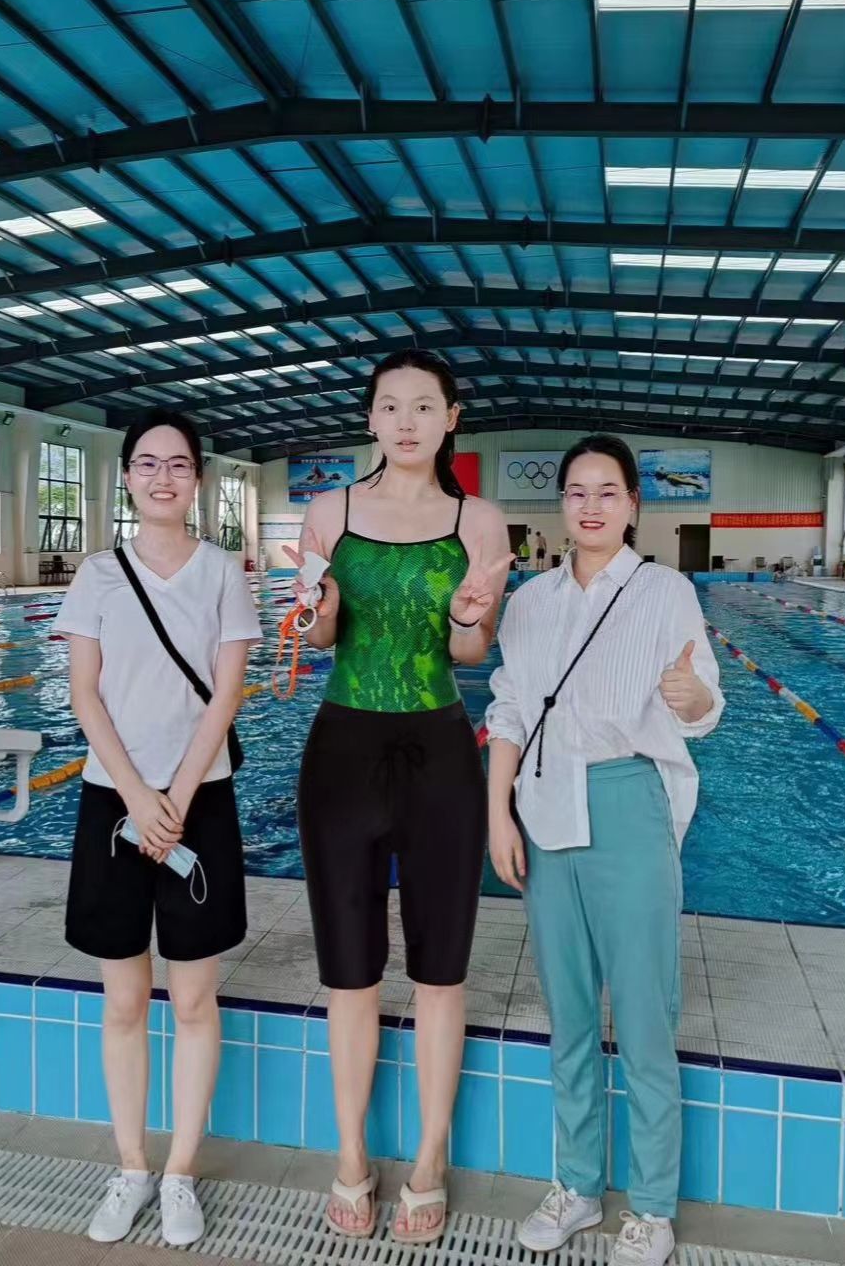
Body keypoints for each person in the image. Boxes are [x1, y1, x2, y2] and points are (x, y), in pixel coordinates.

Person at [484, 434, 723, 1266]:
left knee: (646, 1014)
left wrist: (692, 697)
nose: (591, 505)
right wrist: (498, 814)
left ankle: (652, 1206)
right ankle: (578, 1185)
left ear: (632, 505)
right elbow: (509, 712)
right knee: (571, 1014)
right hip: (545, 803)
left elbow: (705, 704)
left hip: (628, 798)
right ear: (562, 505)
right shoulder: (529, 603)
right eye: (577, 491)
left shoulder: (665, 592)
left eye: (607, 491)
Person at [295, 349, 512, 1244]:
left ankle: (428, 1159)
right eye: (391, 406)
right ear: (371, 419)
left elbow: (470, 654)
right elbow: (319, 640)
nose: (408, 421)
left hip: (439, 752)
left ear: (452, 418)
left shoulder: (479, 521)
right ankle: (351, 1154)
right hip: (343, 750)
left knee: (439, 970)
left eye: (426, 406)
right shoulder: (329, 512)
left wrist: (466, 617)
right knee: (349, 969)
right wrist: (317, 604)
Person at [55, 408, 262, 1249]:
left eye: (178, 464)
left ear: (198, 480)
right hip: (115, 802)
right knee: (123, 999)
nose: (163, 477)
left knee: (194, 998)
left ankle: (179, 1173)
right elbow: (84, 693)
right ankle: (131, 1166)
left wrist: (173, 795)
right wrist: (139, 797)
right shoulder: (98, 575)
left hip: (198, 802)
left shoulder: (222, 573)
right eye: (148, 463)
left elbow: (227, 693)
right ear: (128, 477)